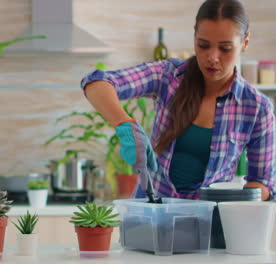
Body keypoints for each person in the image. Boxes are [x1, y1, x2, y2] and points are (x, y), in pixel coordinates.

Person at [80, 0, 275, 200]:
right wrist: (123, 124)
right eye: (203, 45)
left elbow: (264, 181)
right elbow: (96, 82)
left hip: (210, 223)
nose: (213, 57)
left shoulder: (257, 108)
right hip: (151, 216)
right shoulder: (169, 76)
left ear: (245, 43)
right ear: (194, 38)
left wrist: (236, 198)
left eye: (225, 48)